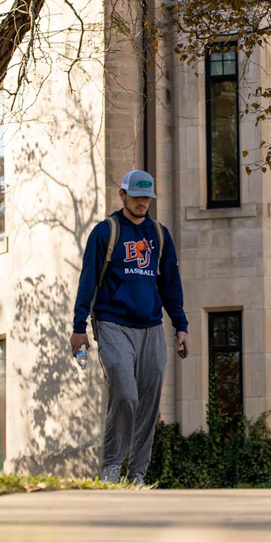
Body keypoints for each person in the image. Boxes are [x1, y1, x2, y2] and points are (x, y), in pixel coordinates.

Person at [72, 169, 189, 484]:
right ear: (122, 195)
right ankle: (112, 465)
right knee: (126, 394)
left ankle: (137, 472)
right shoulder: (105, 232)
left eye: (146, 198)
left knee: (149, 403)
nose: (141, 203)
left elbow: (171, 287)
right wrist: (78, 326)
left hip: (151, 327)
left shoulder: (160, 235)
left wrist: (181, 327)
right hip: (112, 322)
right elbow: (87, 281)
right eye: (136, 196)